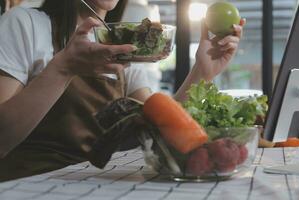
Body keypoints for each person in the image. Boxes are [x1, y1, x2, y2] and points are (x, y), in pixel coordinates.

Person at [0, 0, 244, 181]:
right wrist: (63, 69)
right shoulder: (24, 24)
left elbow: (158, 127)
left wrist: (202, 71)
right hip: (29, 184)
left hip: (96, 185)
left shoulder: (123, 43)